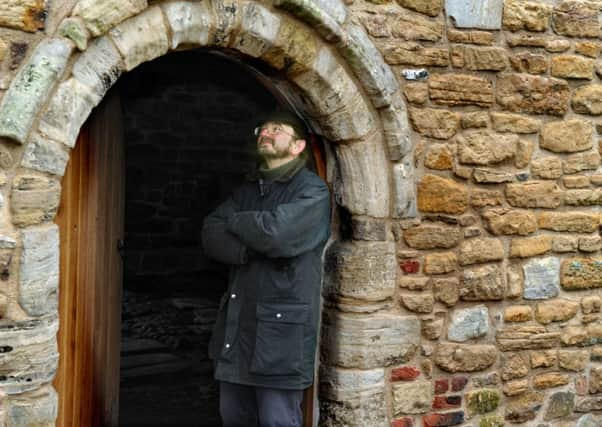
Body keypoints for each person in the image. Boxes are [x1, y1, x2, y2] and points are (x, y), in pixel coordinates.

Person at [201, 111, 331, 427]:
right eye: (263, 128)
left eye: (277, 129)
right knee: (233, 417)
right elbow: (210, 233)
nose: (266, 133)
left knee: (277, 420)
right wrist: (251, 246)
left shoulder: (312, 191)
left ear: (299, 146)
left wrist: (238, 221)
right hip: (237, 328)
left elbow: (278, 236)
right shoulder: (247, 189)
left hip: (281, 336)